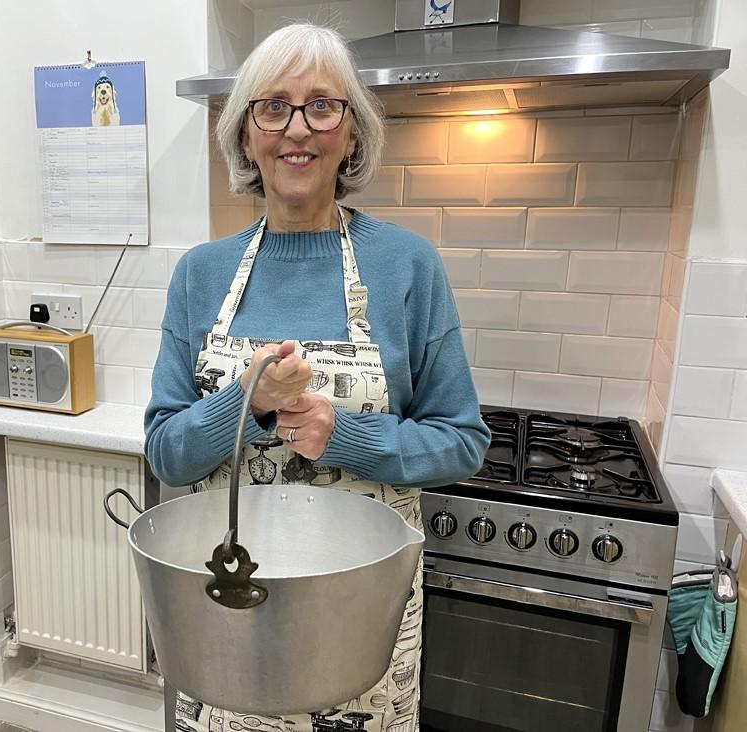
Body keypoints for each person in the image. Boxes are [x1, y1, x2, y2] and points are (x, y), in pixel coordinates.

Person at [144, 22, 490, 732]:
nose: (296, 129)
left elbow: (462, 441)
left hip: (358, 626)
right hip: (229, 612)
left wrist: (342, 434)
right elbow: (165, 450)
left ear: (353, 132)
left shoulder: (406, 267)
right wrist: (243, 404)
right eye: (272, 107)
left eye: (321, 106)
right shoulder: (199, 275)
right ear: (245, 136)